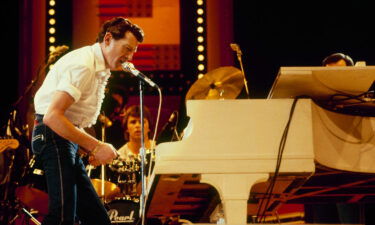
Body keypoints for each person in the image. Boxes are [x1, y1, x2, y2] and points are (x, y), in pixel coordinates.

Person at [31, 17, 144, 225]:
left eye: (133, 52)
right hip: (52, 135)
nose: (129, 57)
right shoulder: (84, 65)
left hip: (64, 138)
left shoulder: (98, 65)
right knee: (62, 216)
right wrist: (96, 146)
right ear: (108, 39)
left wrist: (87, 147)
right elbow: (52, 116)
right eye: (127, 49)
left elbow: (74, 117)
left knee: (97, 219)